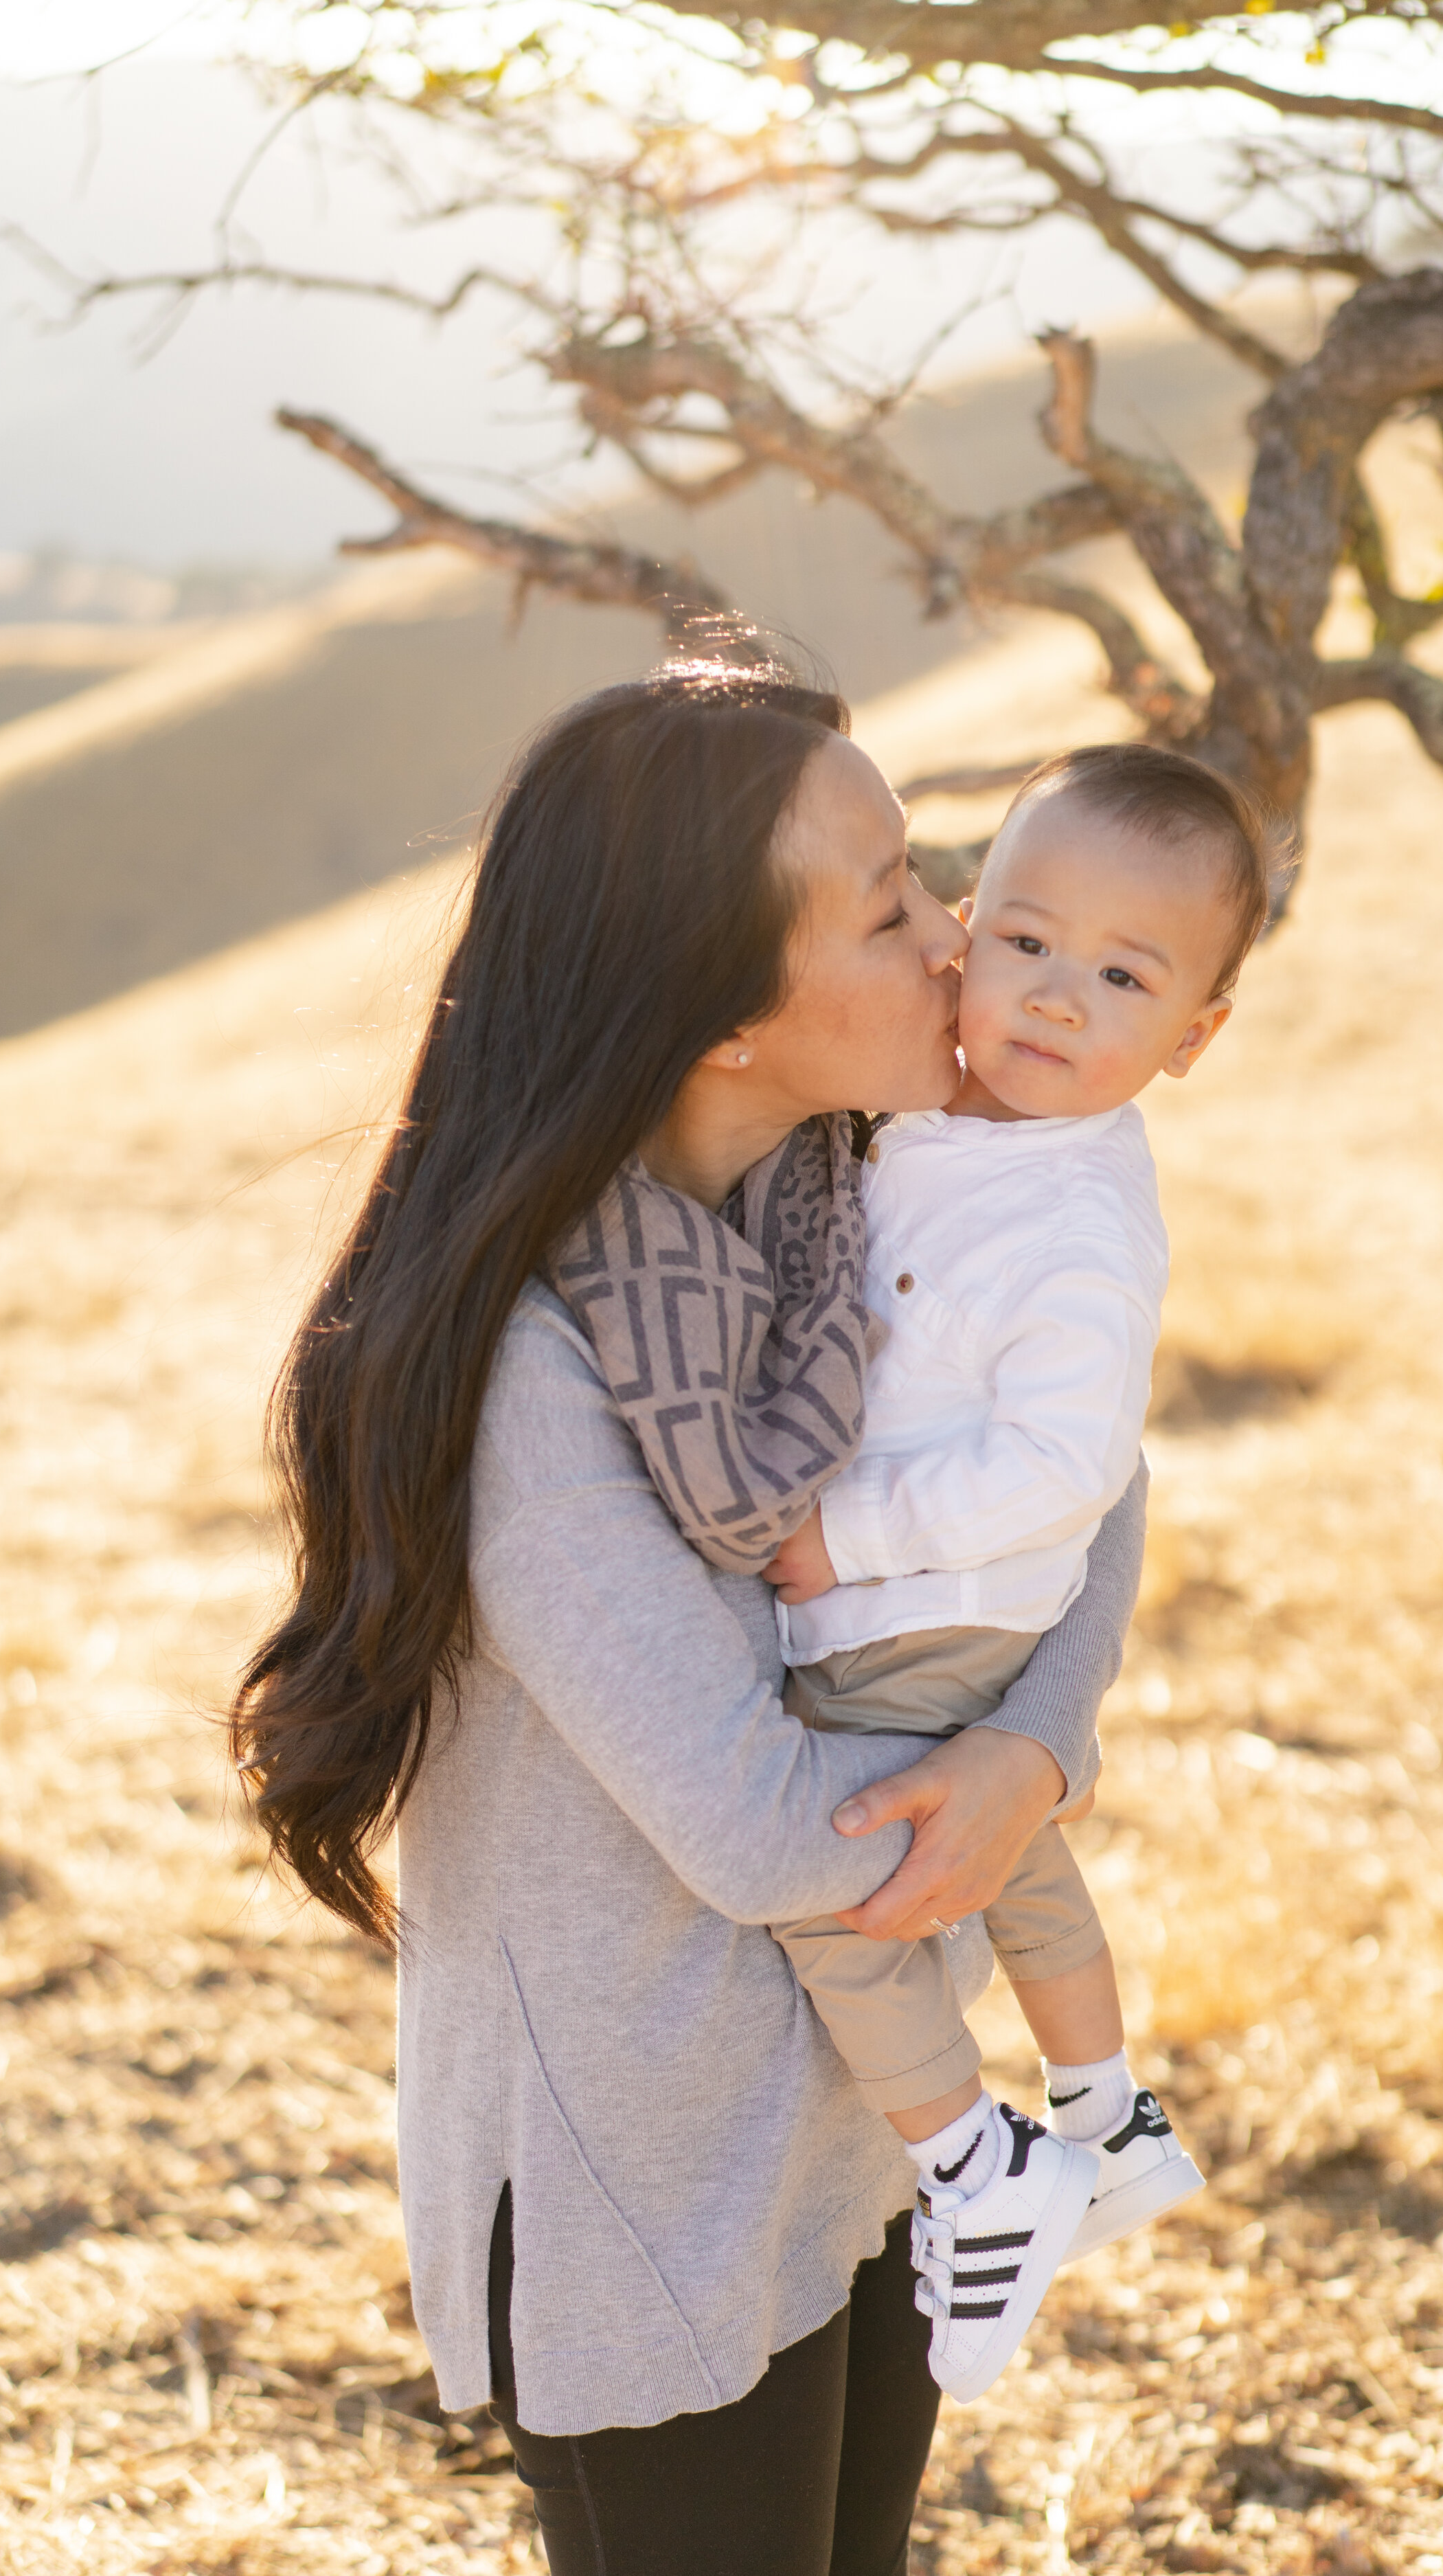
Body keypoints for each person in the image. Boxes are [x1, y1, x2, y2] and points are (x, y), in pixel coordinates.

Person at [231, 654, 1150, 2576]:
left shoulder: (850, 1203)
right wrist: (983, 1788)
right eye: (890, 901)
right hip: (640, 2177)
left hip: (866, 2113)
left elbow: (1089, 1475)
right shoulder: (529, 1365)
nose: (954, 933)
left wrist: (1031, 1745)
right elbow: (743, 1822)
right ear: (728, 1016)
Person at [751, 745, 1273, 2399]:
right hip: (956, 1608)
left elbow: (1066, 1461)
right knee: (1016, 1858)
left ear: (1189, 1041)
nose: (1056, 998)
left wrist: (845, 1537)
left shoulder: (1081, 1220)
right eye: (1030, 941)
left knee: (834, 1882)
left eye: (1121, 978)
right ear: (964, 934)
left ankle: (980, 2170)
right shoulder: (951, 1113)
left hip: (925, 1599)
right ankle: (1106, 2112)